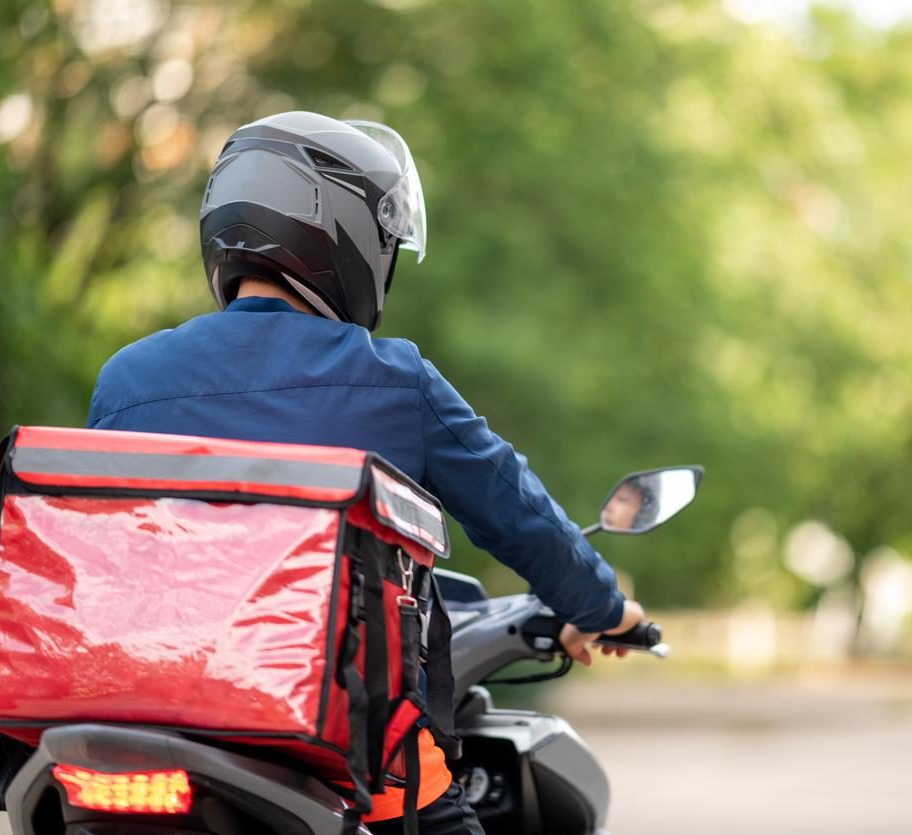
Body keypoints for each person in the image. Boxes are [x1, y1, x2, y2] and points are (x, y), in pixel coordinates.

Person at [84, 111, 647, 834]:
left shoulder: (125, 381)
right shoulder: (393, 380)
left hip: (156, 728)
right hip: (343, 751)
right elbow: (519, 515)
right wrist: (604, 607)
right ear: (339, 234)